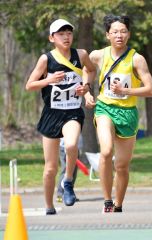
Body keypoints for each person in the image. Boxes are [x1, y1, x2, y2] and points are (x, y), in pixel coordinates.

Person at [84, 14, 152, 213]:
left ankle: (118, 203)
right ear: (107, 35)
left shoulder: (137, 59)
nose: (119, 35)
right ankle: (107, 200)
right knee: (106, 151)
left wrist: (126, 91)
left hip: (127, 113)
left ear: (129, 34)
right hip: (105, 108)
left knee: (122, 166)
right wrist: (87, 90)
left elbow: (150, 90)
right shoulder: (98, 55)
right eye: (115, 32)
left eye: (123, 31)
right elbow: (87, 69)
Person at [26, 18, 95, 215]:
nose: (66, 37)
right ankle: (49, 205)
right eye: (61, 34)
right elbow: (29, 85)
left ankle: (67, 182)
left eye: (69, 33)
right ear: (52, 38)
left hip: (73, 111)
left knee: (72, 145)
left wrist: (87, 86)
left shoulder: (81, 55)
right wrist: (49, 80)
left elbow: (91, 70)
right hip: (51, 113)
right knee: (50, 168)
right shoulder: (46, 59)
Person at [56, 135, 83, 202]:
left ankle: (69, 193)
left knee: (73, 171)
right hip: (66, 148)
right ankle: (60, 194)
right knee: (65, 170)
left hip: (75, 148)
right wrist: (67, 149)